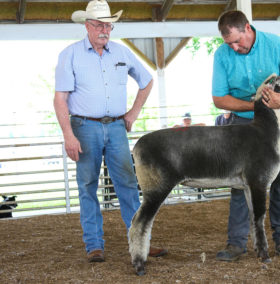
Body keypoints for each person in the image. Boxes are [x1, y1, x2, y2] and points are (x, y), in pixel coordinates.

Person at [53, 0, 167, 263]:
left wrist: (134, 112)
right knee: (88, 185)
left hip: (116, 126)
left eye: (108, 25)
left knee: (128, 185)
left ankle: (141, 242)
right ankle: (94, 245)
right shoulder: (70, 55)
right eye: (99, 24)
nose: (105, 29)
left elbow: (146, 81)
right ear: (87, 25)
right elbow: (60, 99)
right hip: (84, 126)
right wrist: (68, 135)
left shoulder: (121, 53)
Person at [212, 10, 280, 261]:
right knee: (240, 179)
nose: (233, 47)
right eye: (228, 43)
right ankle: (236, 243)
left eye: (237, 41)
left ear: (247, 28)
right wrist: (256, 105)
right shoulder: (222, 55)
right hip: (243, 119)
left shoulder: (276, 45)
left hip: (278, 116)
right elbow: (219, 98)